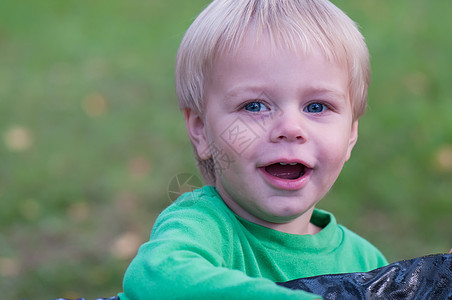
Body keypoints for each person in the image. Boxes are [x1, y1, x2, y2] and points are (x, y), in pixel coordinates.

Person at [118, 0, 388, 299]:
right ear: (201, 130)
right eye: (254, 106)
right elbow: (157, 277)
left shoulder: (367, 264)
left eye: (316, 106)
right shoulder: (203, 228)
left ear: (351, 133)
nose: (290, 128)